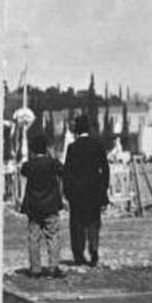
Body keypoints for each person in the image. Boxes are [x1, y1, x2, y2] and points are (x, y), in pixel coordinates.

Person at [63, 114, 110, 267]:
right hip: (94, 192)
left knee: (78, 225)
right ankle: (94, 249)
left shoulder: (72, 148)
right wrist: (103, 191)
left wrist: (67, 193)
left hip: (77, 194)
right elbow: (105, 169)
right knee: (93, 222)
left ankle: (79, 254)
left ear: (77, 130)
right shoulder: (98, 145)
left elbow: (67, 172)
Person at [21, 134, 65, 278]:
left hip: (33, 206)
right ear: (45, 148)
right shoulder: (52, 163)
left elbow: (23, 171)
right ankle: (53, 267)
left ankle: (35, 269)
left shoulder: (29, 165)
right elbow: (62, 170)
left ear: (32, 150)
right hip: (51, 205)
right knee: (53, 236)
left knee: (34, 238)